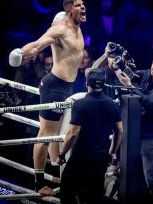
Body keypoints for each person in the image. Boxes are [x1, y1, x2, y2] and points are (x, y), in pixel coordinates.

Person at [8, 0, 86, 195]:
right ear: (70, 10)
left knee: (58, 133)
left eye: (83, 4)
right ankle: (39, 183)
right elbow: (37, 44)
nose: (84, 8)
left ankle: (54, 169)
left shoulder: (75, 23)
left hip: (66, 87)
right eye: (79, 6)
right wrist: (21, 53)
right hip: (54, 87)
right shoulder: (61, 28)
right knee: (45, 135)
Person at [56, 68, 123, 203]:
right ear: (103, 85)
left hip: (81, 158)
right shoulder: (112, 105)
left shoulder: (80, 104)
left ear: (87, 84)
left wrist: (62, 154)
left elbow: (72, 134)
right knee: (94, 197)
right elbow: (120, 131)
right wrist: (112, 152)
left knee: (66, 193)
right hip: (100, 159)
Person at [116, 50, 153, 196]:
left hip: (151, 137)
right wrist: (123, 65)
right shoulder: (149, 73)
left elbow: (150, 102)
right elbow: (134, 74)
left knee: (151, 180)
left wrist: (130, 85)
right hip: (135, 132)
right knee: (135, 178)